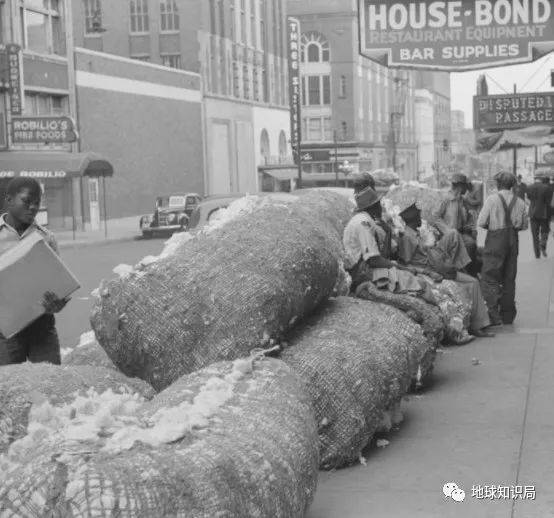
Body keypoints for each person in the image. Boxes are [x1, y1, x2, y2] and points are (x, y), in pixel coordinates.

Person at [397, 203, 494, 338]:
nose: (421, 218)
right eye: (419, 216)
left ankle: (479, 324)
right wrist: (428, 273)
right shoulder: (407, 237)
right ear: (413, 219)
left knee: (473, 280)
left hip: (436, 264)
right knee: (470, 283)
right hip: (429, 270)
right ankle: (477, 326)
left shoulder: (415, 233)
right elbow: (406, 264)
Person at [0, 177, 69, 365]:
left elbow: (60, 284)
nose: (33, 207)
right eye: (26, 201)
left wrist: (58, 303)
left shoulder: (46, 238)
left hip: (42, 328)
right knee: (8, 389)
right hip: (5, 331)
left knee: (51, 386)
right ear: (9, 200)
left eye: (37, 202)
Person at [478, 172, 528, 326]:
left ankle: (493, 315)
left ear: (498, 184)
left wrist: (493, 225)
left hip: (495, 241)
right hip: (512, 242)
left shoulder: (491, 200)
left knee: (490, 278)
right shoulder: (520, 202)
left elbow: (481, 222)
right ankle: (507, 316)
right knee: (509, 278)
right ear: (512, 185)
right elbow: (524, 225)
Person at [526, 176, 551, 258]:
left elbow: (529, 198)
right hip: (543, 213)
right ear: (541, 179)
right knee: (544, 231)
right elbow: (548, 202)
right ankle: (542, 244)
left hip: (533, 213)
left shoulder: (529, 187)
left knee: (534, 235)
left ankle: (537, 254)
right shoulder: (546, 188)